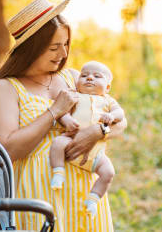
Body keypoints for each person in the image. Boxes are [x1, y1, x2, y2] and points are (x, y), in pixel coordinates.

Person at [0, 0, 127, 232]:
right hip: (37, 195)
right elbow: (7, 149)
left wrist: (98, 131)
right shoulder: (7, 88)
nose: (63, 53)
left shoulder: (73, 78)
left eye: (66, 44)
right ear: (31, 48)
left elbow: (120, 120)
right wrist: (54, 112)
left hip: (82, 192)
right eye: (53, 47)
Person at [49, 61, 125, 217]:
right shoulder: (75, 96)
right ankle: (58, 172)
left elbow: (120, 114)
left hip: (96, 153)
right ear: (78, 82)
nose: (89, 78)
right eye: (84, 76)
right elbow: (62, 112)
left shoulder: (107, 100)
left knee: (108, 172)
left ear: (108, 87)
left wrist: (111, 116)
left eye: (97, 76)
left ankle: (93, 198)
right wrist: (67, 120)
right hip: (71, 140)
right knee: (57, 143)